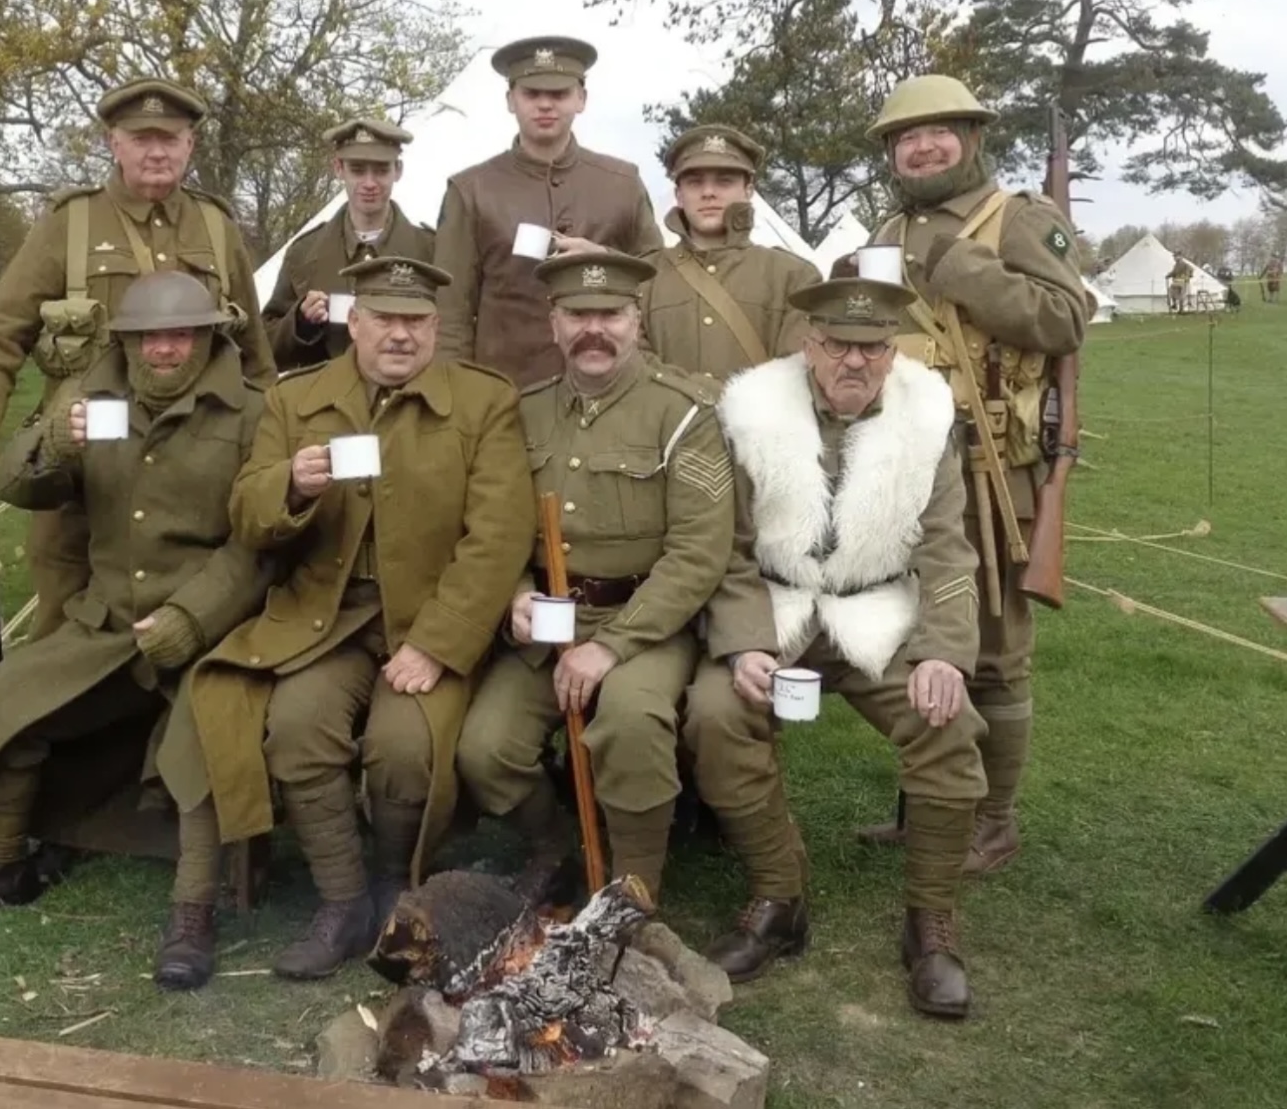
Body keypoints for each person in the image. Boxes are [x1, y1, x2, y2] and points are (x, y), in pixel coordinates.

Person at [0, 272, 273, 992]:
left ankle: (193, 911)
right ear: (127, 342)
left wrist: (192, 618)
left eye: (181, 335)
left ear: (207, 338)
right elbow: (18, 486)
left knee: (204, 737)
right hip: (107, 619)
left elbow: (257, 546)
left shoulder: (252, 412)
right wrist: (53, 443)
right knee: (7, 702)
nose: (163, 350)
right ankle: (2, 862)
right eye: (148, 337)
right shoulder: (93, 401)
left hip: (213, 624)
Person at [187, 256, 536, 980]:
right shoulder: (298, 399)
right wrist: (291, 484)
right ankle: (342, 900)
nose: (400, 335)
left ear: (436, 328)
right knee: (296, 725)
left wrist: (438, 643)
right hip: (328, 616)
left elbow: (498, 535)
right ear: (355, 324)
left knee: (403, 746)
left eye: (416, 322)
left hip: (429, 616)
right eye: (384, 320)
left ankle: (392, 883)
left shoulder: (483, 402)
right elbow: (247, 511)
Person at [685, 276, 986, 1019]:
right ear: (807, 344)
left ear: (892, 351)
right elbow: (724, 548)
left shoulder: (927, 415)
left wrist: (943, 652)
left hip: (877, 608)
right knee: (716, 715)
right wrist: (743, 645)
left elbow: (948, 549)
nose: (855, 361)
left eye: (873, 347)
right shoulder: (749, 411)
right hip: (775, 605)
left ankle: (930, 922)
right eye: (838, 344)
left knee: (947, 723)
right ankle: (778, 897)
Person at [850, 74, 1089, 874]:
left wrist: (961, 269)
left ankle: (993, 820)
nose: (922, 147)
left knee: (992, 651)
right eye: (905, 138)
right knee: (918, 641)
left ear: (972, 138)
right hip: (898, 469)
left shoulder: (1016, 217)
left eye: (939, 132)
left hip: (988, 474)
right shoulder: (887, 228)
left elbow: (1065, 319)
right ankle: (932, 799)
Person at [0, 77, 278, 642]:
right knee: (64, 616)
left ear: (190, 145)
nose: (157, 151)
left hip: (199, 460)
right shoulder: (70, 225)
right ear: (114, 143)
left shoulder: (217, 228)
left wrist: (272, 446)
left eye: (169, 138)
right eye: (141, 137)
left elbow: (253, 353)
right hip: (86, 458)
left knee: (206, 611)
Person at [456, 250, 734, 905]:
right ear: (552, 323)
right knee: (485, 752)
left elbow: (698, 553)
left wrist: (610, 646)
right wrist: (515, 594)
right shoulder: (521, 412)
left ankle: (632, 893)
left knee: (631, 721)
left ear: (637, 321)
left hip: (645, 622)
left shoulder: (685, 413)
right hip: (549, 620)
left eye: (610, 314)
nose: (594, 330)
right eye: (578, 314)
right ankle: (562, 847)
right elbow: (494, 524)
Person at [433, 36, 664, 387]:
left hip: (613, 391)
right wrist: (456, 397)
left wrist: (605, 257)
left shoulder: (623, 183)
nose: (545, 105)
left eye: (558, 94)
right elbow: (451, 313)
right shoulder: (471, 191)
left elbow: (660, 284)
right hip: (506, 393)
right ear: (510, 100)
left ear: (581, 98)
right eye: (532, 93)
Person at [638, 124, 821, 380]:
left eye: (724, 181)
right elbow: (636, 373)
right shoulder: (643, 279)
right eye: (695, 182)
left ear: (748, 191)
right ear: (679, 195)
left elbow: (795, 376)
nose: (708, 192)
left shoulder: (794, 278)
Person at [261, 118, 435, 370]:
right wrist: (300, 323)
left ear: (398, 170)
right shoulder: (304, 254)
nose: (369, 183)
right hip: (327, 391)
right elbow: (264, 349)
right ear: (338, 168)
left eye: (381, 170)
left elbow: (452, 335)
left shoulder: (431, 252)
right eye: (357, 170)